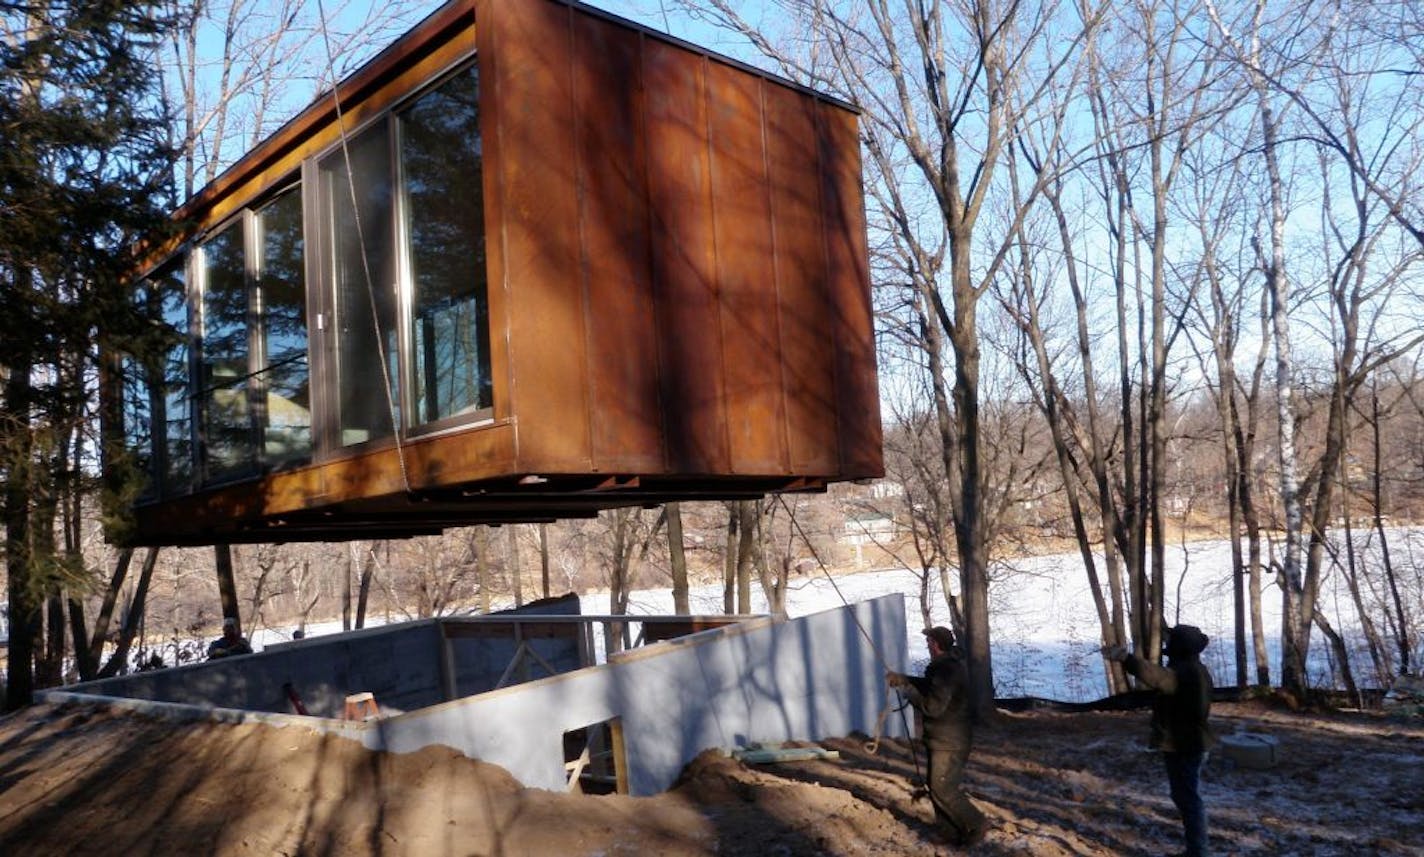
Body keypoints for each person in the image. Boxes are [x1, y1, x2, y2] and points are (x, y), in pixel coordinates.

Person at [1104, 625, 1215, 857]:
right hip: (1189, 743)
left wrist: (1126, 658)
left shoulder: (1183, 673)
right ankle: (1196, 850)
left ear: (1180, 648)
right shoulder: (1196, 669)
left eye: (1171, 641)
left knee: (1189, 800)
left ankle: (1198, 852)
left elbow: (1154, 675)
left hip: (1185, 745)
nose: (1167, 644)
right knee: (1185, 797)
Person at [886, 625, 987, 847]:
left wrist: (907, 691)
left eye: (929, 641)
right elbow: (931, 687)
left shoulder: (946, 671)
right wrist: (905, 679)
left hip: (949, 742)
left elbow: (932, 707)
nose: (927, 644)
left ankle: (976, 823)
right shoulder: (943, 668)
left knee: (943, 788)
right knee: (937, 787)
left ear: (936, 644)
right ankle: (948, 832)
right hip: (943, 739)